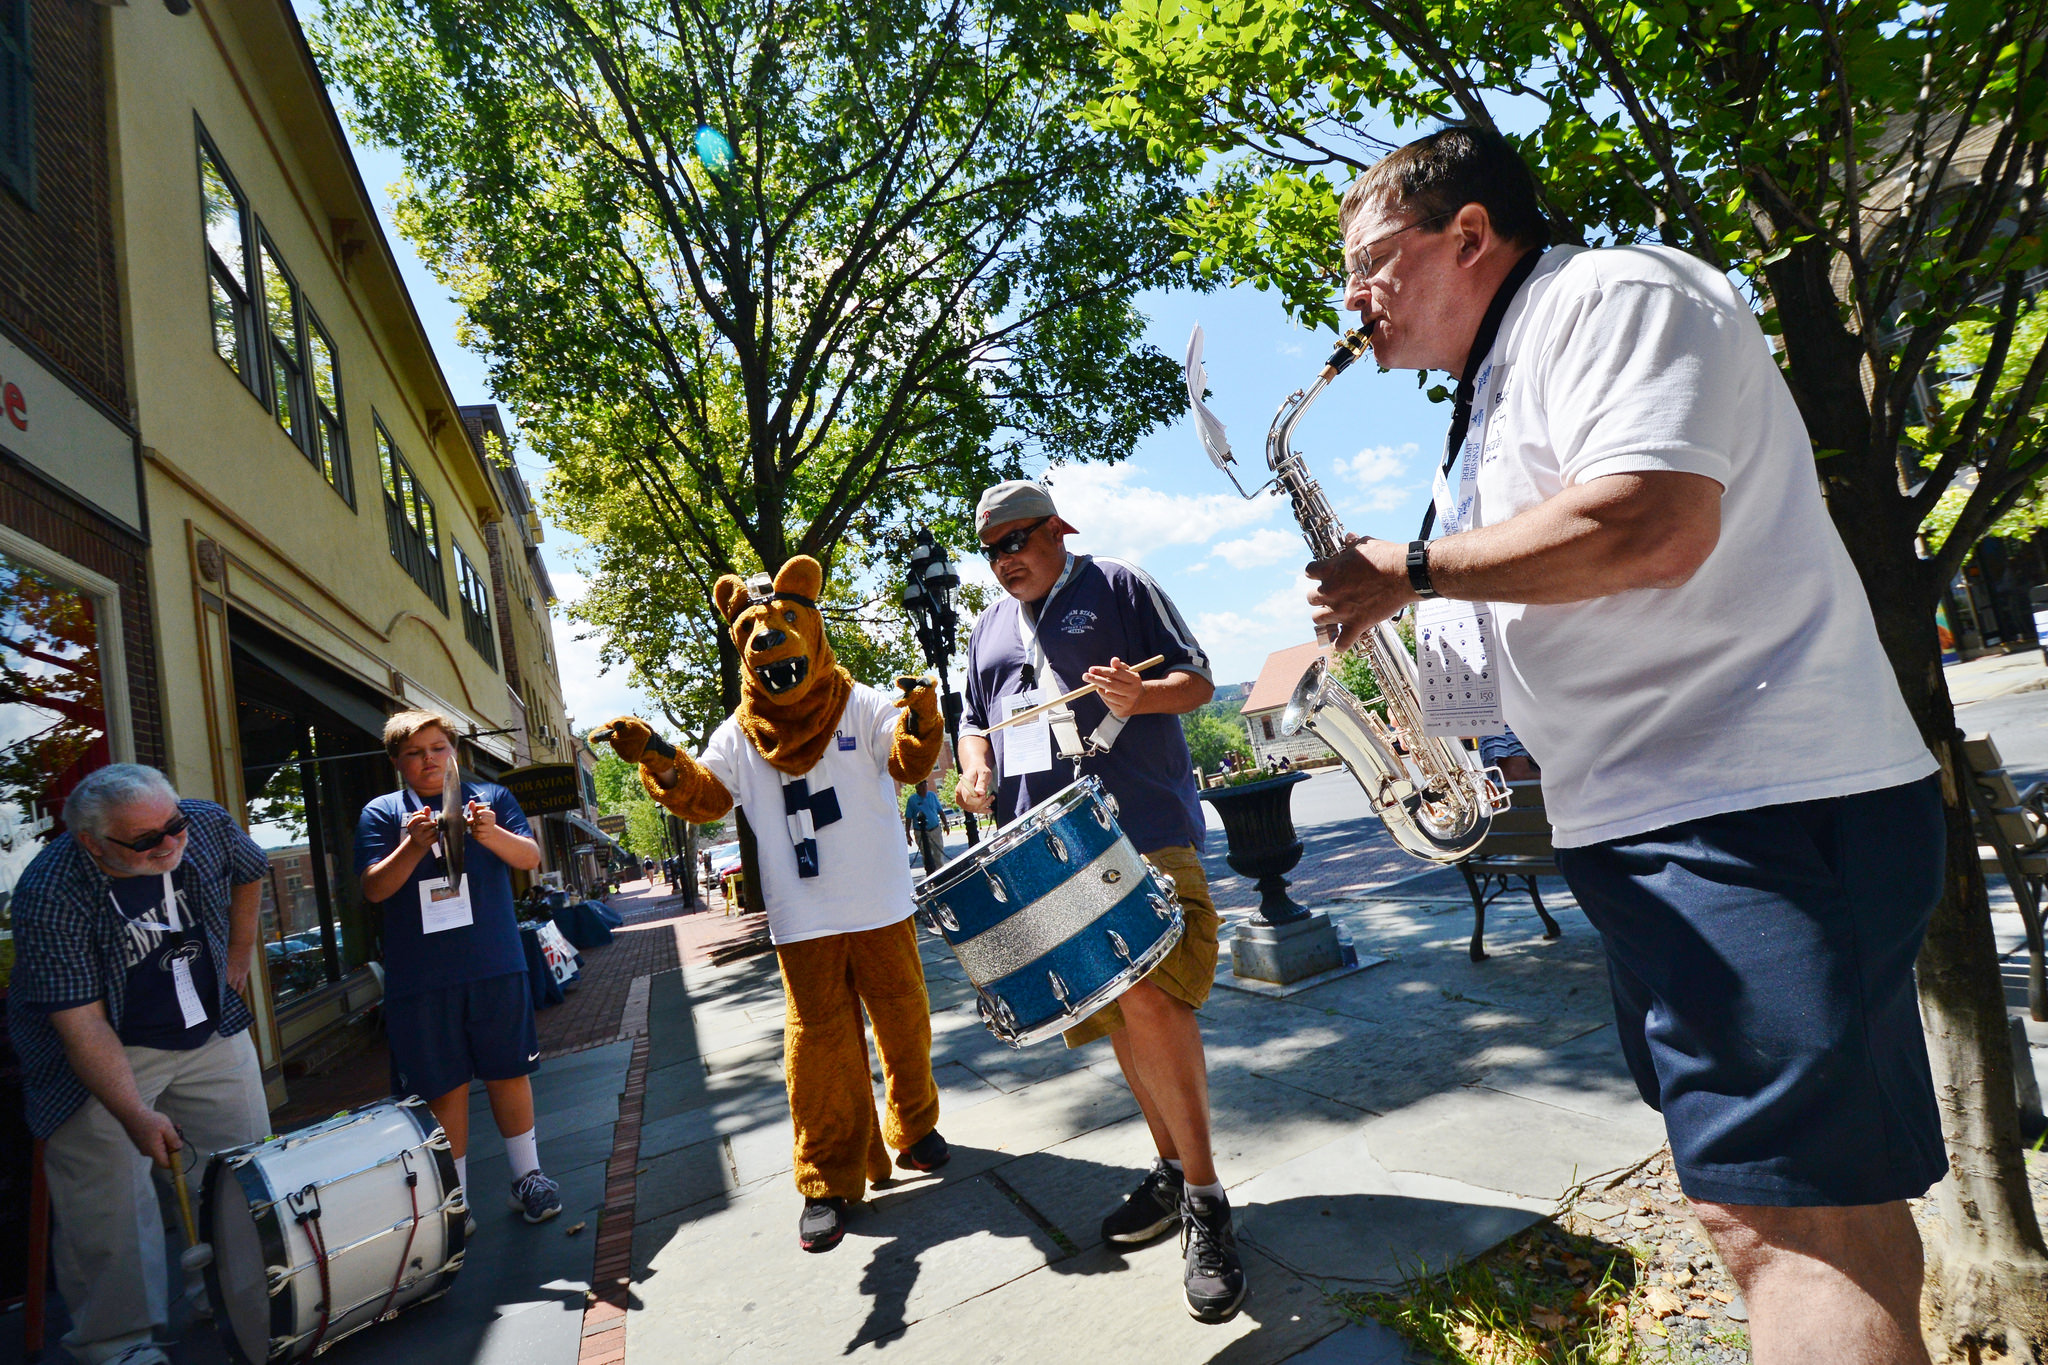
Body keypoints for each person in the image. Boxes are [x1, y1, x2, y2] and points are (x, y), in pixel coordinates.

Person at [1305, 126, 1941, 1365]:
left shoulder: (1611, 295)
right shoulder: (1485, 402)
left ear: (1470, 235)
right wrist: (1401, 696)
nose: (1351, 298)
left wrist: (1412, 568)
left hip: (1747, 806)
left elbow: (1648, 526)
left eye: (1371, 261)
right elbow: (1511, 638)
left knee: (1784, 1220)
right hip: (1659, 823)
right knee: (1806, 1204)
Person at [600, 554, 951, 1252]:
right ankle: (826, 1175)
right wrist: (660, 757)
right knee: (818, 1048)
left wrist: (923, 715)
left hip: (881, 903)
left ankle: (912, 1127)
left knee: (905, 1022)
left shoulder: (862, 700)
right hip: (805, 920)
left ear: (814, 629)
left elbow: (909, 760)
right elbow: (704, 793)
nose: (772, 641)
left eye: (789, 623)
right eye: (757, 634)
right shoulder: (740, 730)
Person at [954, 480, 1244, 1324]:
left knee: (1155, 999)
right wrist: (972, 766)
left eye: (1019, 539)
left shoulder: (1119, 584)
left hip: (1137, 830)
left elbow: (1196, 677)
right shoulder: (986, 629)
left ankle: (1206, 1200)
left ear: (1056, 530)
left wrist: (1139, 696)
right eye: (993, 548)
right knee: (1121, 1016)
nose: (1007, 559)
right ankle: (1169, 1170)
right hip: (1044, 854)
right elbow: (976, 718)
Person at [7, 765, 271, 1365]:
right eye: (147, 840)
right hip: (105, 1051)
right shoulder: (50, 893)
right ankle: (118, 1342)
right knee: (110, 1204)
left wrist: (239, 950)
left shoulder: (202, 823)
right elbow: (82, 1027)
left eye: (172, 826)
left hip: (208, 1030)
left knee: (240, 1174)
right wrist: (132, 1113)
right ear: (92, 842)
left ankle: (234, 1300)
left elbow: (252, 869)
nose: (170, 843)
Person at [355, 711, 564, 1225]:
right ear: (397, 763)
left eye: (438, 747)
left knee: (509, 1072)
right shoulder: (382, 813)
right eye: (414, 752)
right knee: (443, 1088)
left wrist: (490, 835)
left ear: (454, 751)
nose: (428, 759)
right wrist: (413, 845)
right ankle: (457, 1201)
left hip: (494, 963)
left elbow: (529, 857)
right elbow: (374, 888)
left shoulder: (490, 799)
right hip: (423, 978)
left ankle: (528, 1177)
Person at [903, 777, 947, 874]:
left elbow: (940, 811)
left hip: (935, 829)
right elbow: (908, 818)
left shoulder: (932, 796)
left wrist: (946, 824)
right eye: (920, 784)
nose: (923, 787)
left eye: (925, 784)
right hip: (921, 832)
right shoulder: (912, 800)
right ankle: (931, 874)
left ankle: (941, 874)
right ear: (916, 787)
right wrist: (907, 834)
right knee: (926, 855)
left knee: (938, 854)